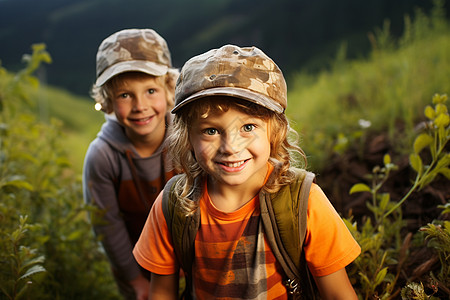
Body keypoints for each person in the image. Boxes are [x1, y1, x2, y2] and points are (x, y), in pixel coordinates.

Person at [133, 44, 361, 299]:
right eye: (211, 130)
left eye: (248, 127)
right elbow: (161, 294)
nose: (231, 147)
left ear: (274, 132)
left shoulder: (303, 201)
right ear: (188, 138)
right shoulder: (173, 204)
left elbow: (339, 295)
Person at [82, 28, 179, 300]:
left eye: (150, 91)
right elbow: (107, 225)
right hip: (136, 266)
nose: (140, 105)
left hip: (192, 255)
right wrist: (134, 279)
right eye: (125, 95)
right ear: (108, 101)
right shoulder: (102, 156)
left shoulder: (187, 140)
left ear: (169, 89)